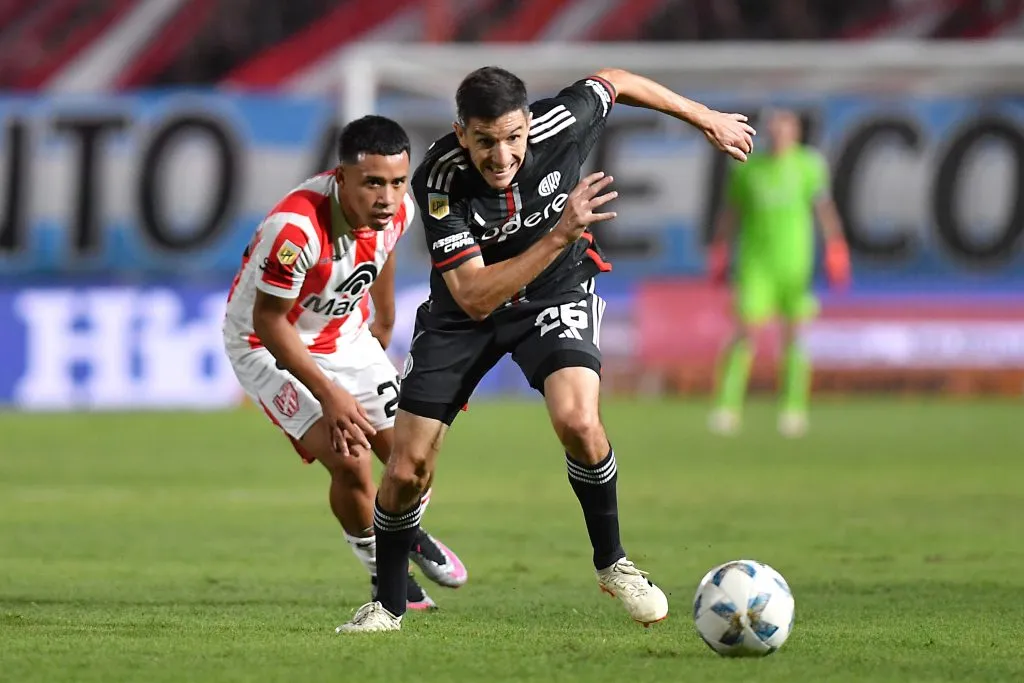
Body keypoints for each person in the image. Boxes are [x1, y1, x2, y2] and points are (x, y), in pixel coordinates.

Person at [335, 67, 756, 633]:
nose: (502, 155)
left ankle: (614, 564)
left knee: (580, 421)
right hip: (465, 313)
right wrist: (560, 231)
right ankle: (385, 607)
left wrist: (705, 118)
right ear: (462, 134)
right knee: (408, 467)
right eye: (485, 141)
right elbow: (474, 295)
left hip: (555, 292)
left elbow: (616, 80)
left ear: (529, 124)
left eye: (513, 137)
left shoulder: (563, 124)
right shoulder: (439, 176)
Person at [222, 115, 468, 612]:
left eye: (398, 182)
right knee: (352, 458)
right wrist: (329, 393)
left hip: (345, 334)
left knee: (411, 454)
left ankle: (406, 530)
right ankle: (383, 569)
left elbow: (385, 249)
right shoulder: (295, 232)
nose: (387, 197)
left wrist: (386, 317)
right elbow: (270, 324)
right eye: (373, 183)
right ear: (341, 177)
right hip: (266, 344)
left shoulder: (399, 210)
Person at [707, 108, 851, 438]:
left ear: (796, 133)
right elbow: (732, 212)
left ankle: (793, 408)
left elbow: (823, 209)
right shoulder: (747, 167)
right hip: (755, 265)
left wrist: (836, 247)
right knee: (745, 332)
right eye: (773, 130)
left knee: (796, 335)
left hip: (795, 264)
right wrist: (719, 248)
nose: (779, 136)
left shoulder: (808, 166)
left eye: (785, 130)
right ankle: (727, 406)